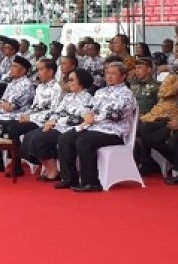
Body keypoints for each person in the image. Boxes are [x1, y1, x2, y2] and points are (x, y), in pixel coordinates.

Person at [55, 61, 137, 192]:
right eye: (107, 73)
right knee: (65, 138)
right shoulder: (100, 92)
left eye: (113, 74)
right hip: (94, 128)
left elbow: (117, 115)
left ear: (123, 76)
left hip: (114, 132)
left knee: (84, 141)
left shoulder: (126, 94)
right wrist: (87, 114)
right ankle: (69, 178)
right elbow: (89, 107)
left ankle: (91, 182)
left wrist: (95, 118)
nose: (109, 76)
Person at [24, 68, 94, 182]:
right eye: (68, 80)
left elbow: (78, 119)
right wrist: (50, 121)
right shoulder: (68, 97)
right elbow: (57, 112)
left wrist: (56, 122)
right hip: (57, 126)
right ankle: (48, 166)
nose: (68, 83)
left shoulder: (88, 99)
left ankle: (53, 170)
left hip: (71, 129)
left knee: (39, 139)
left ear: (81, 82)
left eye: (71, 80)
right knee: (29, 136)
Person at [0, 59, 63, 177]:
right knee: (8, 125)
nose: (38, 73)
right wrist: (26, 115)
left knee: (14, 128)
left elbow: (53, 111)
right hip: (33, 117)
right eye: (38, 70)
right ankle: (2, 160)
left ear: (51, 72)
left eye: (41, 69)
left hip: (42, 121)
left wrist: (31, 117)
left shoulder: (57, 88)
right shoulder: (40, 87)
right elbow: (34, 107)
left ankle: (16, 164)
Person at [136, 73, 178, 175]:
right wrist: (176, 85)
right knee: (142, 128)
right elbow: (162, 93)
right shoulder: (173, 78)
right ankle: (147, 162)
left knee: (150, 137)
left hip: (177, 120)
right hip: (161, 117)